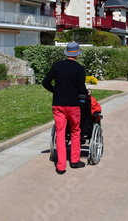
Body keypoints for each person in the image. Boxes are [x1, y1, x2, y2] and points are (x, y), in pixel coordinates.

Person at [43, 42, 89, 175]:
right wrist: (87, 93)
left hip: (58, 104)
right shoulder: (79, 69)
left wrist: (56, 91)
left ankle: (61, 166)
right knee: (75, 131)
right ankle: (74, 161)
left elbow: (45, 83)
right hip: (73, 105)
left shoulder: (57, 66)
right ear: (77, 54)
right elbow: (81, 89)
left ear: (67, 52)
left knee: (60, 134)